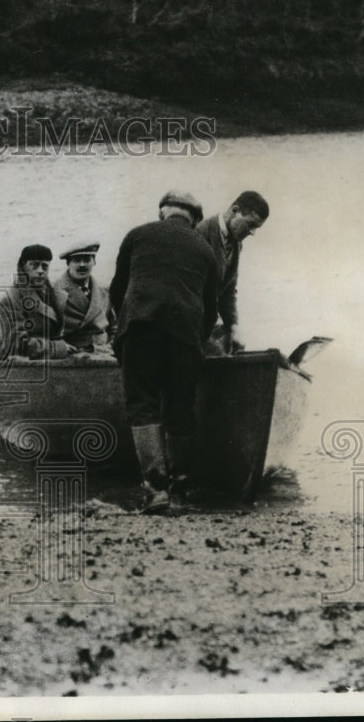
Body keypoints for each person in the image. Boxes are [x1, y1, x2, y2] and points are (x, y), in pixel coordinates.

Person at [109, 191, 219, 513]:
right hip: (184, 335)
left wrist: (126, 326)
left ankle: (155, 492)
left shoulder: (137, 235)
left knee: (143, 405)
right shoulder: (205, 248)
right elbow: (210, 309)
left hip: (140, 329)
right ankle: (181, 492)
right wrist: (197, 339)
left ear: (162, 213)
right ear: (194, 220)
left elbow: (118, 290)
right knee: (180, 408)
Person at [196, 191, 269, 354]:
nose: (252, 233)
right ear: (235, 210)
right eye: (250, 224)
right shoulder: (200, 233)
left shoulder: (237, 244)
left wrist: (233, 327)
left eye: (256, 228)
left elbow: (228, 291)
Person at [0, 244, 76, 360]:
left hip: (45, 365)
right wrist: (57, 348)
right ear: (23, 266)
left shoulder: (51, 295)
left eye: (45, 266)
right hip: (18, 371)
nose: (40, 271)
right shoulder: (11, 301)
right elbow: (15, 344)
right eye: (34, 265)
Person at [51, 241, 116, 354]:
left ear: (94, 262)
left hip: (104, 352)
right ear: (68, 263)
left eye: (86, 260)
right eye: (77, 260)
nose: (82, 265)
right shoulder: (55, 291)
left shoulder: (103, 291)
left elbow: (114, 326)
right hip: (73, 355)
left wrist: (112, 346)